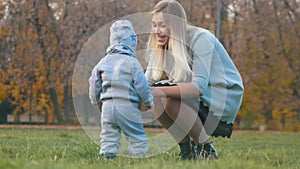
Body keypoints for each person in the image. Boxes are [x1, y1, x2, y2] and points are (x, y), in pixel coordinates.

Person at [145, 0, 244, 160]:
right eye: (154, 25)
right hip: (198, 96)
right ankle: (187, 151)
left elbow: (198, 87)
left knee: (166, 98)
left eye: (162, 25)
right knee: (156, 99)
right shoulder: (162, 44)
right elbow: (147, 84)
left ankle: (206, 149)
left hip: (221, 96)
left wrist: (157, 90)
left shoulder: (201, 38)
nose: (157, 31)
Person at [89, 20, 154, 159]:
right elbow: (142, 85)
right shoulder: (132, 63)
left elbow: (94, 81)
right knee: (136, 134)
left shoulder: (103, 61)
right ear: (132, 42)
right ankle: (139, 156)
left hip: (107, 106)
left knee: (108, 134)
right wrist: (148, 101)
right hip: (127, 105)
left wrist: (95, 99)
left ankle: (108, 154)